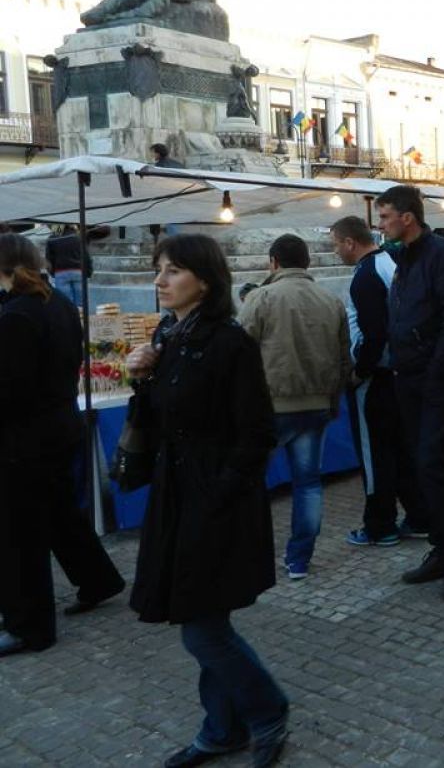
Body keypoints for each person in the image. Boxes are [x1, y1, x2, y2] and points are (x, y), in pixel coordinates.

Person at [124, 234, 288, 768]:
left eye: (172, 270)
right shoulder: (168, 335)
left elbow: (258, 433)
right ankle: (222, 728)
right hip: (178, 496)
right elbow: (160, 420)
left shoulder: (229, 342)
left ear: (205, 280)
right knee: (201, 618)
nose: (159, 280)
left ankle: (267, 711)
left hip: (215, 500)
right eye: (159, 269)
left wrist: (219, 495)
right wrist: (141, 378)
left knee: (202, 627)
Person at [0, 235, 125, 658]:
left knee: (20, 533)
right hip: (60, 426)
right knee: (60, 513)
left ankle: (29, 626)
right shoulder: (57, 304)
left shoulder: (18, 315)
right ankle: (98, 579)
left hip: (26, 438)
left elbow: (11, 389)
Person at [378, 185, 444, 600]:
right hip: (408, 376)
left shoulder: (442, 254)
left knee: (432, 465)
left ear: (407, 217)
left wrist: (438, 372)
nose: (381, 225)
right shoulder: (405, 257)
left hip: (436, 379)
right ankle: (441, 547)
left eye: (385, 216)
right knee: (421, 466)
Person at [239, 235, 351, 579]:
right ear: (308, 262)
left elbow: (239, 354)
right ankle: (299, 559)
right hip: (316, 405)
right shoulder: (331, 300)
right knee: (308, 483)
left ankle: (250, 556)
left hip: (270, 406)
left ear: (273, 262)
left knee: (250, 483)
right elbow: (344, 357)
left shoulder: (260, 298)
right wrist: (333, 399)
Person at [329, 217, 430, 546]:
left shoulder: (366, 276)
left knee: (375, 454)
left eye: (336, 244)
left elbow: (374, 333)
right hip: (398, 373)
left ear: (350, 242)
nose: (335, 251)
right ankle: (419, 516)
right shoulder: (389, 263)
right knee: (400, 450)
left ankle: (379, 524)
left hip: (377, 378)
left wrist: (360, 372)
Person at [44, 224, 91, 308]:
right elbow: (86, 256)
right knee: (81, 304)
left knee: (65, 303)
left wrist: (52, 273)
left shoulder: (52, 238)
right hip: (78, 271)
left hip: (60, 272)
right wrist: (88, 272)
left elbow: (48, 259)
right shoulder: (78, 237)